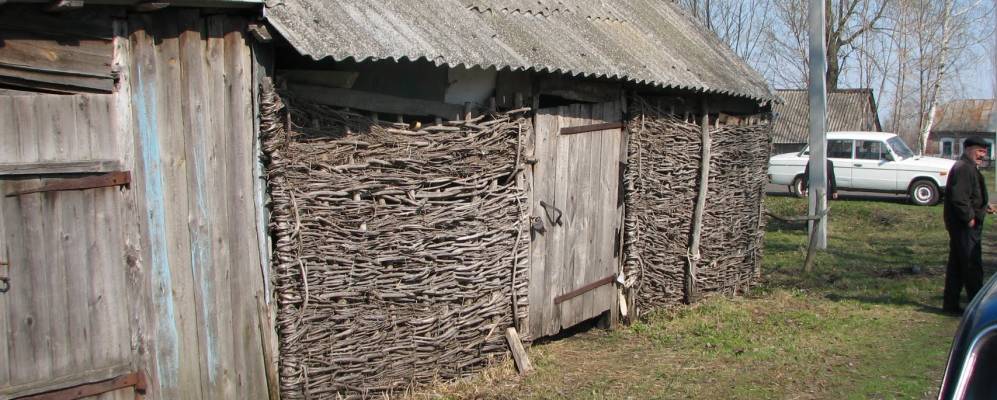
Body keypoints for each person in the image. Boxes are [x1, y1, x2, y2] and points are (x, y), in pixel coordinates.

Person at [943, 137, 996, 314]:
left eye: (984, 152)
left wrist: (984, 205)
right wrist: (969, 218)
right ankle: (977, 308)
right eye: (980, 151)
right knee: (971, 266)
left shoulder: (968, 167)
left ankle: (950, 305)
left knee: (957, 266)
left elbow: (971, 194)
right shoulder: (964, 168)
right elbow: (959, 198)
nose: (983, 155)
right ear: (969, 149)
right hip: (964, 226)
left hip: (964, 224)